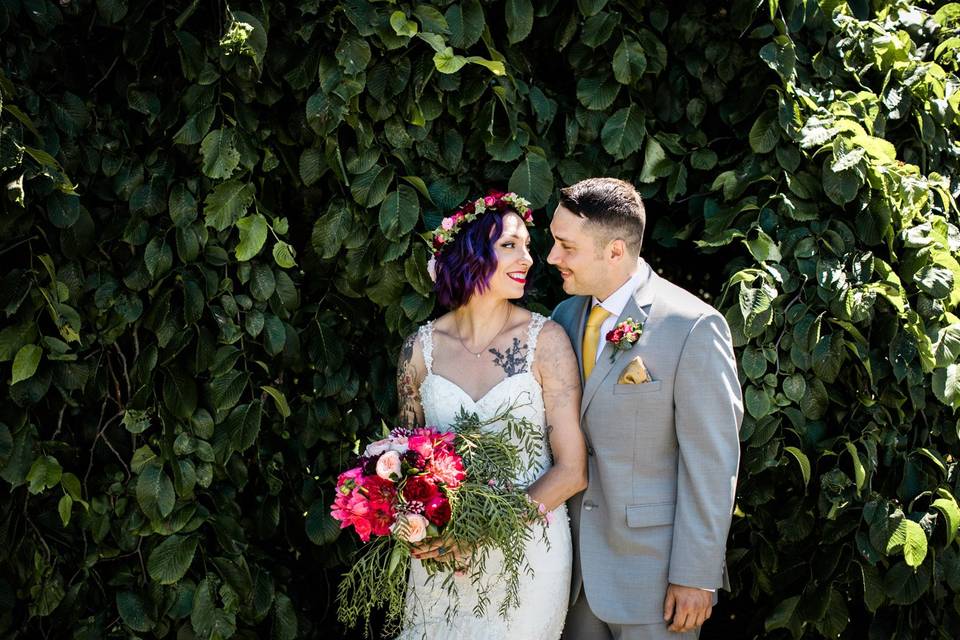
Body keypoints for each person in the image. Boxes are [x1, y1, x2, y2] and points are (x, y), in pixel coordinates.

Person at [548, 178, 742, 640]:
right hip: (571, 576)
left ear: (615, 252)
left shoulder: (691, 326)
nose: (552, 258)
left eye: (565, 246)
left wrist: (696, 573)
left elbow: (713, 462)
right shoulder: (562, 320)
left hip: (656, 580)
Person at [394, 191, 588, 639]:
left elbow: (572, 471)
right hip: (442, 558)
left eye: (527, 246)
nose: (528, 258)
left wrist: (479, 532)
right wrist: (418, 527)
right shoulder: (417, 352)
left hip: (527, 554)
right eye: (510, 246)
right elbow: (407, 466)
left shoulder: (548, 340)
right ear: (472, 253)